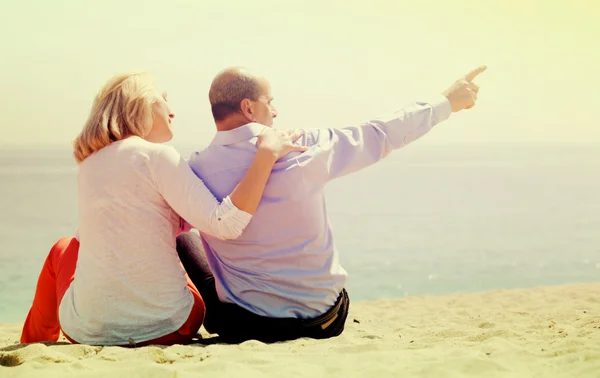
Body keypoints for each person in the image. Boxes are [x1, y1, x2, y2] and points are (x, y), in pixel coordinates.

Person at [176, 65, 487, 343]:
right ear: (249, 107)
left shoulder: (194, 170)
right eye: (270, 102)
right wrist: (447, 101)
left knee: (184, 238)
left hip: (249, 326)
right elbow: (380, 133)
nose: (275, 112)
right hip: (324, 320)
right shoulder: (305, 147)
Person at [20, 72, 307, 346]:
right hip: (170, 327)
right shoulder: (157, 156)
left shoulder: (89, 165)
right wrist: (265, 156)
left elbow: (101, 237)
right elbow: (226, 224)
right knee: (183, 242)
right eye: (164, 98)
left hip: (86, 331)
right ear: (141, 104)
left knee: (64, 247)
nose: (172, 111)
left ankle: (34, 342)